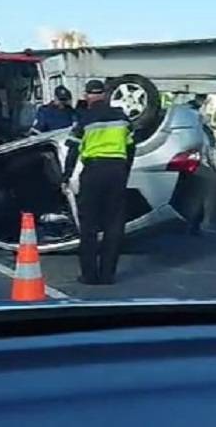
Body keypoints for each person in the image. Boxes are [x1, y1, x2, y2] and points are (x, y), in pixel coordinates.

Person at [63, 79, 135, 285]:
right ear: (105, 95)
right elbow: (131, 147)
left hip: (93, 171)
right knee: (114, 225)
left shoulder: (84, 118)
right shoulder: (122, 118)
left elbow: (73, 149)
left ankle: (89, 275)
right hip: (117, 171)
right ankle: (107, 275)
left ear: (87, 96)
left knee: (89, 225)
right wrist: (125, 170)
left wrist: (66, 175)